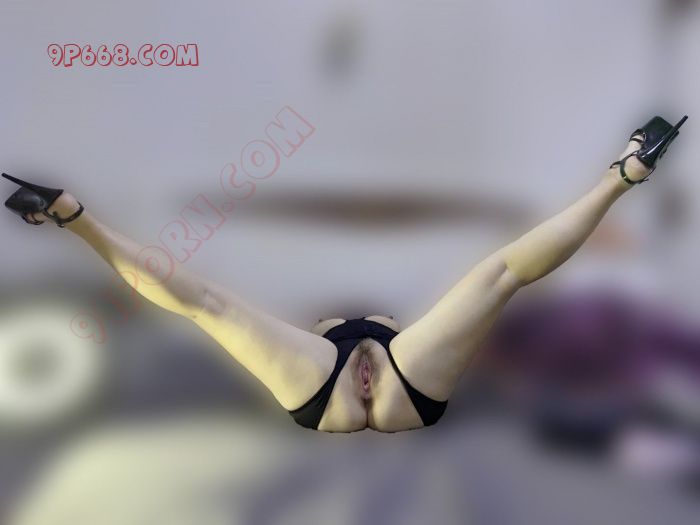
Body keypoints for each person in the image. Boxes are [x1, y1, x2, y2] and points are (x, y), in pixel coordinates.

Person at [2, 115, 688, 433]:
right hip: (403, 383)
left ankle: (74, 217)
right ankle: (624, 175)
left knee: (207, 304)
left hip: (323, 392)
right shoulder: (393, 321)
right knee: (501, 273)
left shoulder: (321, 324)